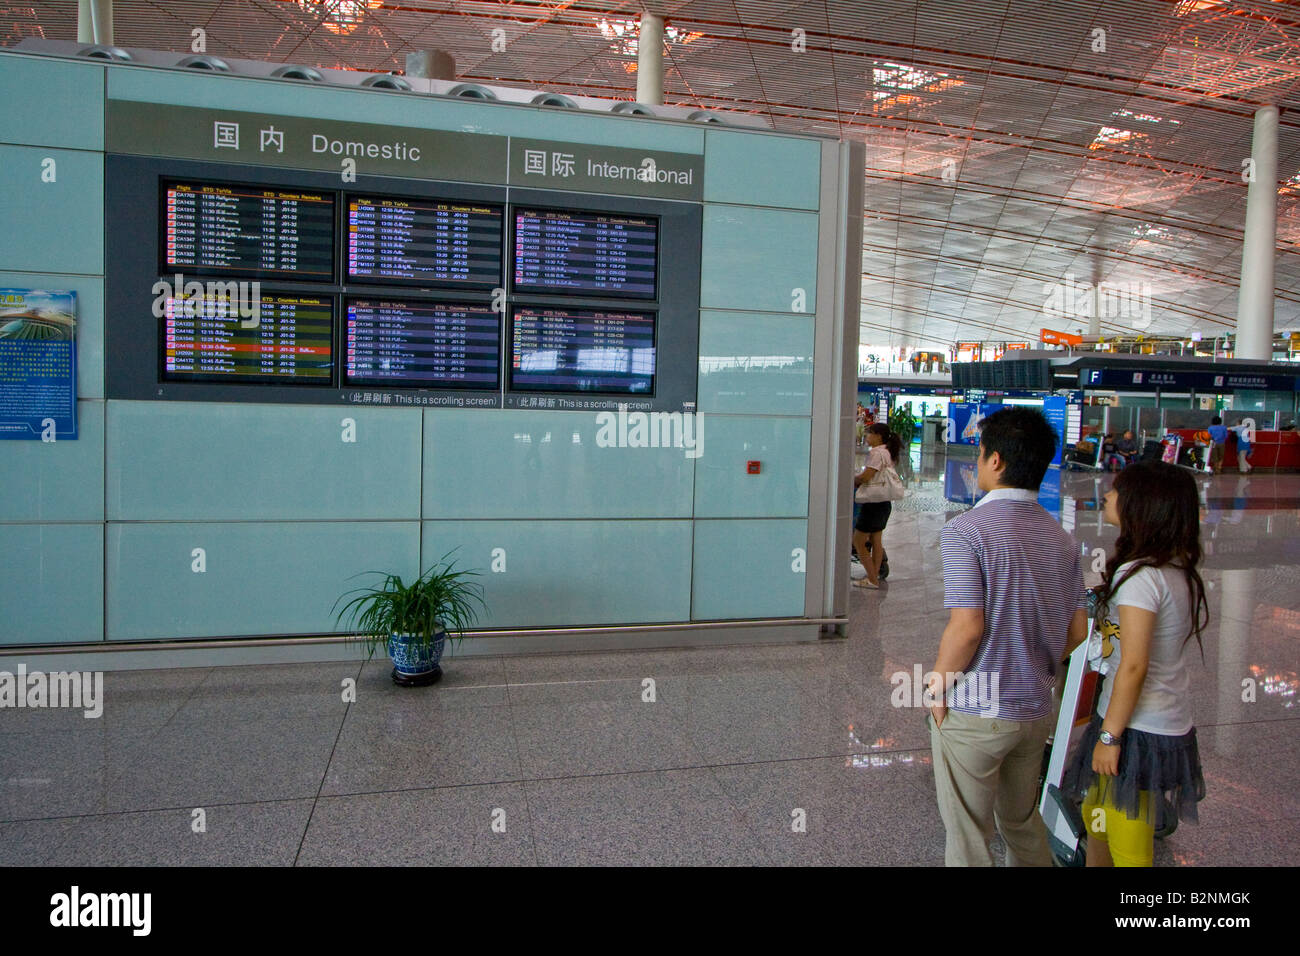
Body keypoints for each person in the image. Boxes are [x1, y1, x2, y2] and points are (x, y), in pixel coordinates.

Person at [929, 406, 1089, 866]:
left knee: (968, 837)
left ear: (995, 460)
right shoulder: (1061, 538)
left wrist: (937, 685)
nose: (977, 463)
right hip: (1036, 711)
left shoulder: (966, 530)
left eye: (979, 454)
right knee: (1021, 824)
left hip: (978, 709)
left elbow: (967, 627)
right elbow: (1077, 631)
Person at [1061, 461, 1209, 867]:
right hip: (1147, 721)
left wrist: (1109, 738)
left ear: (1143, 506)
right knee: (1099, 823)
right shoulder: (1172, 566)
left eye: (1117, 490)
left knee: (1126, 840)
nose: (1106, 495)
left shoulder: (1140, 575)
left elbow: (1134, 665)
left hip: (1133, 729)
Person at [852, 423, 902, 590]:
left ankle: (872, 579)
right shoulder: (887, 451)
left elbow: (867, 476)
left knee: (858, 541)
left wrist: (851, 479)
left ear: (879, 436)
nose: (867, 437)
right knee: (876, 540)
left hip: (872, 503)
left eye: (870, 434)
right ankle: (873, 576)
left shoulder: (876, 453)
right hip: (884, 503)